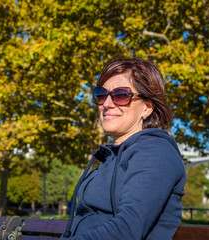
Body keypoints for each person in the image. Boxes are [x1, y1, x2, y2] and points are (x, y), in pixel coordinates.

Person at [61, 58, 187, 240]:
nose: (107, 104)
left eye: (121, 95)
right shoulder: (109, 158)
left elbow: (127, 229)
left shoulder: (156, 152)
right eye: (101, 95)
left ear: (147, 107)